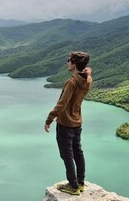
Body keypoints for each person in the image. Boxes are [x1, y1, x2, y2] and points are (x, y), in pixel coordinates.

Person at [45, 51, 92, 195]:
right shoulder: (87, 80)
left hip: (65, 124)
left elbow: (62, 104)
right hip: (77, 122)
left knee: (67, 155)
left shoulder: (71, 82)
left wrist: (49, 119)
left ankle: (73, 186)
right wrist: (87, 71)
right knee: (78, 152)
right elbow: (88, 73)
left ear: (74, 64)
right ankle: (81, 182)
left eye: (69, 60)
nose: (67, 62)